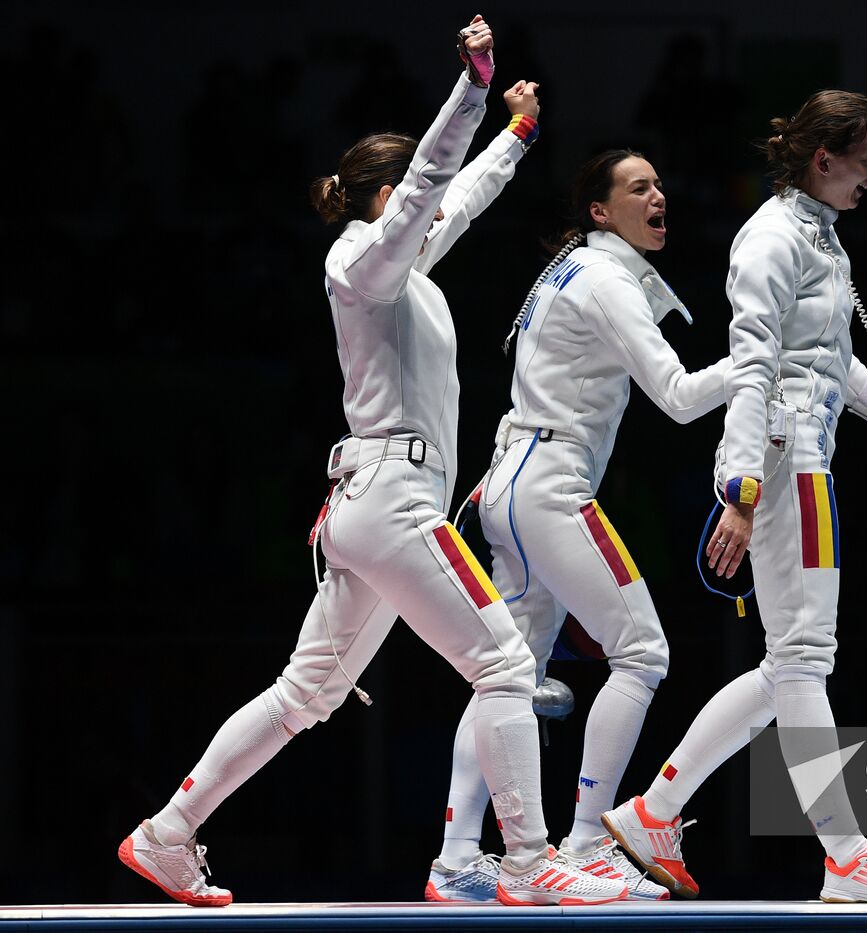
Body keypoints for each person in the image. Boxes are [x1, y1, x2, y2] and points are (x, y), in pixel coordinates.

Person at [116, 20, 628, 908]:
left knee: (306, 691)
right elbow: (434, 180)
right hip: (393, 501)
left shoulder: (402, 269)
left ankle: (167, 834)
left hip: (373, 503)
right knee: (504, 664)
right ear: (388, 197)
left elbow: (455, 198)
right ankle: (528, 859)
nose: (428, 214)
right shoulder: (357, 262)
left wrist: (515, 136)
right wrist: (471, 90)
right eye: (411, 201)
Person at [602, 90, 867, 903]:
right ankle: (845, 853)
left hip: (802, 458)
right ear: (824, 158)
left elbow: (830, 365)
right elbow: (755, 365)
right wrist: (739, 488)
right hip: (782, 460)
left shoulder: (820, 238)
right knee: (805, 660)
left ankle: (655, 813)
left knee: (785, 667)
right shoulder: (769, 239)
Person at [425, 149, 729, 902]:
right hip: (550, 486)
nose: (659, 195)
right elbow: (681, 395)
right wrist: (760, 360)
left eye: (660, 183)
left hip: (512, 478)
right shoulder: (602, 279)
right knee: (643, 652)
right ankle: (590, 839)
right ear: (598, 211)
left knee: (508, 674)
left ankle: (457, 857)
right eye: (638, 187)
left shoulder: (575, 271)